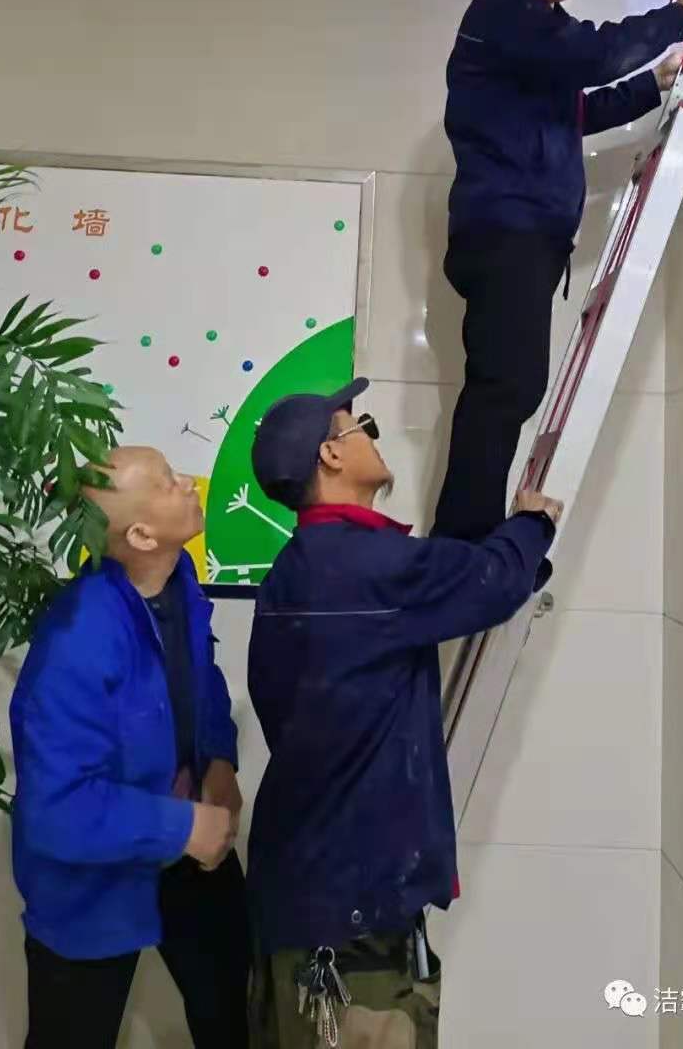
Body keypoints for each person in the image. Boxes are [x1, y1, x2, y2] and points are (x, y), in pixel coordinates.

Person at [244, 378, 562, 1048]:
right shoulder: (367, 567)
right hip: (349, 922)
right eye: (359, 425)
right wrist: (533, 522)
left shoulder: (292, 575)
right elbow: (489, 579)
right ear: (331, 455)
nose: (371, 434)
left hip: (301, 889)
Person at [432, 0, 683, 543]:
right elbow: (592, 57)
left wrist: (653, 82)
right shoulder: (506, 12)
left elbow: (577, 110)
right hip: (508, 230)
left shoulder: (530, 39)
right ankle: (463, 546)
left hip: (518, 234)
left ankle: (467, 539)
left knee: (509, 385)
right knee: (506, 386)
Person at [10, 446, 250, 1049]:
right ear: (141, 535)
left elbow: (203, 683)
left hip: (190, 856)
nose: (188, 483)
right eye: (168, 482)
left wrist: (219, 760)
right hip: (94, 883)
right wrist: (184, 827)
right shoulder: (77, 638)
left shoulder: (179, 583)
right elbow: (58, 810)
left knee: (235, 1014)